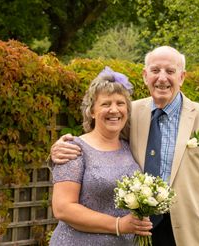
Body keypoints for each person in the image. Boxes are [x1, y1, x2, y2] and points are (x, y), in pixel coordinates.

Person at [51, 46, 199, 245]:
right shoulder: (130, 111)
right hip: (137, 231)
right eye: (155, 71)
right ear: (145, 76)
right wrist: (58, 149)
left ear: (182, 77)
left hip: (188, 233)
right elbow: (99, 140)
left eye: (170, 71)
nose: (162, 78)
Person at [49, 67, 153, 246]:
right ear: (91, 111)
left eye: (120, 104)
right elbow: (62, 208)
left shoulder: (130, 146)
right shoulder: (74, 149)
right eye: (106, 104)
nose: (114, 110)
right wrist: (119, 224)